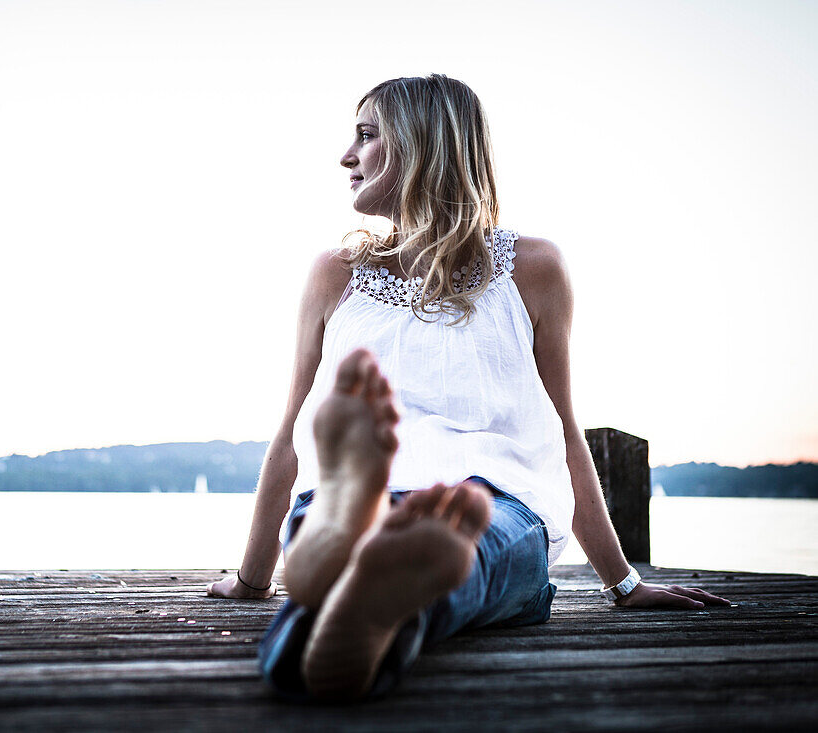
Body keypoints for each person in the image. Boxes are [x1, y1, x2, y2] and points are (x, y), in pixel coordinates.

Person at [206, 74, 730, 701]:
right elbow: (293, 436)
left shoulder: (529, 270)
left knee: (405, 558)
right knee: (458, 559)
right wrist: (622, 585)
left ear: (422, 147)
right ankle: (361, 562)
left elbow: (564, 430)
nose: (346, 156)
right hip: (459, 505)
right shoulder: (337, 275)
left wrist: (254, 580)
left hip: (476, 500)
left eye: (367, 136)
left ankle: (340, 571)